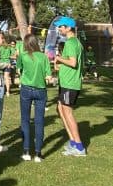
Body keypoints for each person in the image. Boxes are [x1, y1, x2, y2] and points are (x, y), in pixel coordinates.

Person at [54, 16, 87, 156]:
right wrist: (60, 66)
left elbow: (73, 63)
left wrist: (58, 58)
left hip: (70, 84)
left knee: (68, 113)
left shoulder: (72, 43)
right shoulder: (72, 42)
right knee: (61, 109)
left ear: (68, 28)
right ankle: (73, 142)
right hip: (66, 82)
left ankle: (79, 147)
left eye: (61, 26)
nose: (59, 29)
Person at [17, 34, 50, 162]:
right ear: (36, 43)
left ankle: (26, 151)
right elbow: (48, 75)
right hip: (40, 90)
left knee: (25, 120)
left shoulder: (22, 56)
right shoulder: (44, 57)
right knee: (39, 122)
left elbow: (19, 69)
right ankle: (37, 153)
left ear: (25, 44)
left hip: (26, 89)